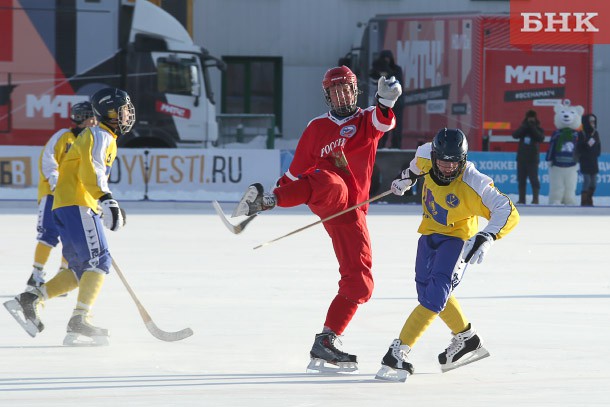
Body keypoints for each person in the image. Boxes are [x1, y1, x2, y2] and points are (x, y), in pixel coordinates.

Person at [232, 65, 402, 373]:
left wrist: (387, 100)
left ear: (355, 91)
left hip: (352, 213)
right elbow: (293, 174)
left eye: (346, 90)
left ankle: (326, 340)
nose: (341, 96)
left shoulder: (366, 120)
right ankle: (266, 202)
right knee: (330, 181)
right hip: (327, 196)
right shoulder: (316, 128)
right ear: (327, 96)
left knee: (360, 284)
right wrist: (272, 199)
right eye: (335, 92)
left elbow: (383, 120)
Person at [375, 128, 519, 382]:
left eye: (454, 162)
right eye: (442, 161)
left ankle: (399, 352)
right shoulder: (424, 156)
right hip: (429, 234)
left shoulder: (474, 182)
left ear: (462, 159)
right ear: (434, 155)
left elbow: (506, 209)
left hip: (457, 240)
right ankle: (467, 339)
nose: (447, 167)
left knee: (435, 294)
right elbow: (414, 169)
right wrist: (406, 179)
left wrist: (487, 236)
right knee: (427, 291)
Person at [4, 87, 135, 346]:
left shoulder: (96, 135)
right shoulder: (101, 135)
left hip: (68, 205)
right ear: (110, 112)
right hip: (78, 205)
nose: (128, 115)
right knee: (99, 263)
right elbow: (92, 169)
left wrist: (104, 203)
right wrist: (105, 199)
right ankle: (80, 318)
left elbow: (84, 171)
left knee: (79, 270)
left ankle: (31, 299)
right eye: (123, 110)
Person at [26, 102, 97, 291]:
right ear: (81, 118)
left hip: (74, 198)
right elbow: (47, 158)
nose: (95, 120)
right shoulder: (63, 137)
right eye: (92, 116)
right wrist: (54, 178)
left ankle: (64, 273)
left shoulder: (91, 140)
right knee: (47, 235)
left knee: (72, 237)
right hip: (52, 194)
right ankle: (36, 275)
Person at [370, 50, 404, 149]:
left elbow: (396, 81)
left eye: (388, 59)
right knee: (382, 124)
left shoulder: (396, 69)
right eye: (384, 59)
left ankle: (396, 147)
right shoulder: (378, 68)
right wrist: (378, 70)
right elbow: (373, 79)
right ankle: (380, 146)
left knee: (397, 127)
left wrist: (387, 70)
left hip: (397, 102)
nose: (386, 61)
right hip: (383, 102)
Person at [512, 110, 544, 204]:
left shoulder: (538, 128)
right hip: (522, 159)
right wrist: (525, 126)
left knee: (534, 179)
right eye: (529, 117)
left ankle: (535, 199)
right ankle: (522, 199)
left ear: (535, 118)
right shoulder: (523, 128)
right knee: (521, 180)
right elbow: (515, 135)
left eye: (532, 117)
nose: (531, 119)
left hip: (533, 159)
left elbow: (540, 138)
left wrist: (533, 127)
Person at [577, 114, 601, 206]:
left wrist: (597, 153)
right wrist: (587, 144)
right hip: (585, 160)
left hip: (593, 160)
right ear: (586, 122)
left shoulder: (596, 133)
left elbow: (598, 145)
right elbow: (579, 147)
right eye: (591, 121)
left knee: (594, 182)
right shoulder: (582, 133)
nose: (593, 123)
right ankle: (584, 201)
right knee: (587, 180)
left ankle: (589, 198)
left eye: (594, 121)